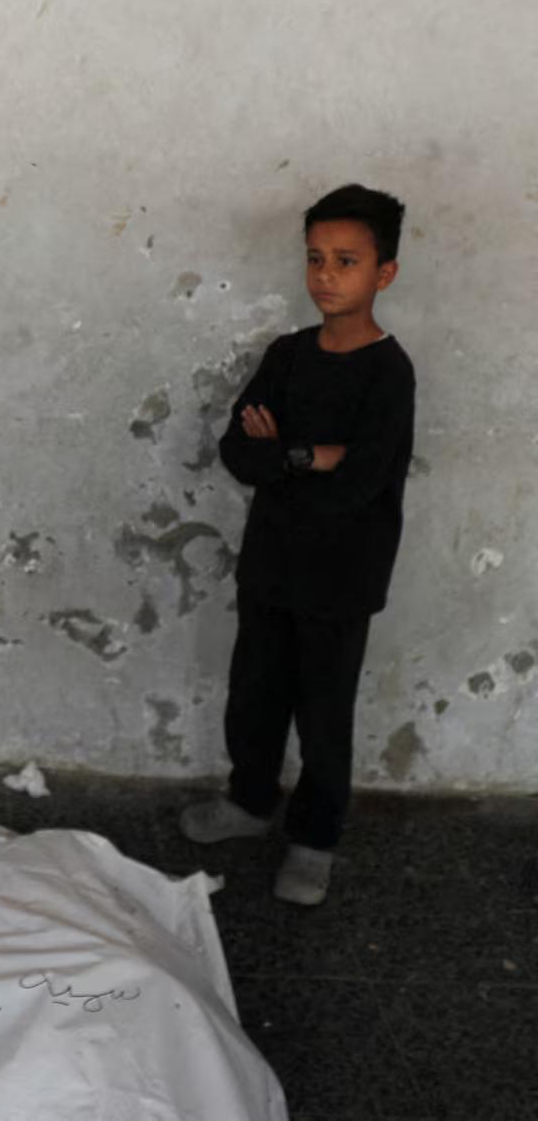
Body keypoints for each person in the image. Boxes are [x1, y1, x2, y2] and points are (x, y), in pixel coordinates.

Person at [180, 184, 416, 907]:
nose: (325, 275)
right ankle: (249, 801)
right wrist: (310, 456)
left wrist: (286, 454)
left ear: (384, 273)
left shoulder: (388, 372)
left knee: (323, 712)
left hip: (344, 578)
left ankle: (314, 838)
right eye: (315, 258)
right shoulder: (286, 357)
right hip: (272, 564)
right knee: (254, 696)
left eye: (346, 260)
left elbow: (364, 483)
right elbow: (237, 451)